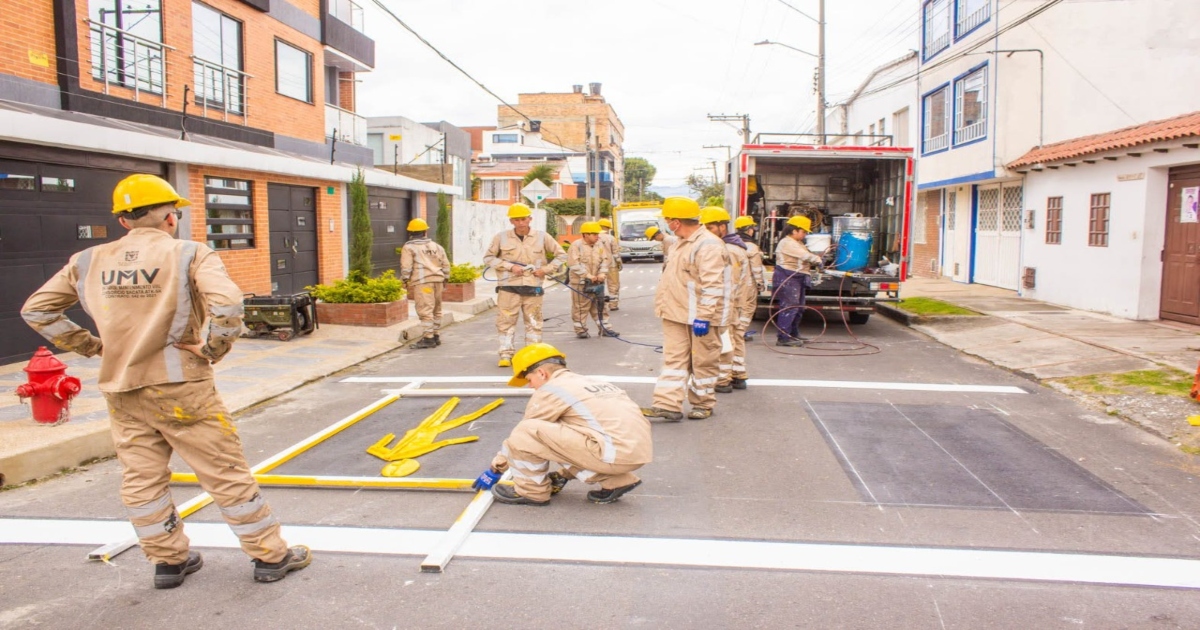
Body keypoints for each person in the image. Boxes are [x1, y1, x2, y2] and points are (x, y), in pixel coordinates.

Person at [21, 174, 310, 589]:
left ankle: (168, 562)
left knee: (142, 480)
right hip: (181, 388)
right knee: (224, 472)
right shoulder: (190, 253)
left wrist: (92, 347)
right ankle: (270, 556)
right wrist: (214, 349)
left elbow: (37, 311)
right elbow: (228, 305)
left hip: (123, 389)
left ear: (123, 220)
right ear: (171, 216)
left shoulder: (86, 261)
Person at [472, 343, 652, 506]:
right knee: (560, 431)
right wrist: (563, 475)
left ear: (542, 373)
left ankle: (531, 492)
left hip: (611, 453)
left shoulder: (552, 389)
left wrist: (495, 469)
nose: (530, 386)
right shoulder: (590, 382)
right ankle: (618, 481)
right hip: (635, 453)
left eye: (529, 379)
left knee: (527, 431)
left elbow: (523, 437)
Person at [641, 197, 730, 421]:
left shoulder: (708, 245)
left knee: (703, 361)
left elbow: (712, 285)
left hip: (701, 317)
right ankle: (667, 404)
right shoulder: (681, 242)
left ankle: (703, 403)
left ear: (676, 222)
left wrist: (704, 317)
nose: (667, 224)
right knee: (674, 361)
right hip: (675, 314)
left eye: (668, 219)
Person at [483, 203, 566, 368]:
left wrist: (546, 269)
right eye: (516, 220)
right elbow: (488, 258)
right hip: (508, 287)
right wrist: (510, 267)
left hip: (533, 287)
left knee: (534, 322)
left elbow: (562, 255)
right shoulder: (501, 237)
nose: (521, 223)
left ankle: (533, 355)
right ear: (511, 221)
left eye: (523, 219)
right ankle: (506, 354)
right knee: (505, 322)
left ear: (530, 219)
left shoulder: (542, 237)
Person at [702, 208, 755, 392]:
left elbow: (728, 282)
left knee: (725, 339)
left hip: (729, 303)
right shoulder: (735, 247)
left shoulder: (728, 250)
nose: (707, 232)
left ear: (722, 227)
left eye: (710, 227)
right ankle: (738, 375)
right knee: (735, 338)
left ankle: (723, 379)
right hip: (737, 302)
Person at [399, 218, 451, 349]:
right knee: (436, 309)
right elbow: (445, 264)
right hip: (438, 280)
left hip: (423, 283)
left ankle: (428, 338)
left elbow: (406, 266)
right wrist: (446, 278)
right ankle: (436, 335)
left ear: (410, 232)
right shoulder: (437, 246)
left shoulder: (409, 247)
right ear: (425, 232)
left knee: (425, 309)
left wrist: (405, 279)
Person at [774, 215, 823, 347]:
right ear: (794, 230)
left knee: (798, 308)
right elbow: (805, 256)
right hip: (788, 277)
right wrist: (818, 260)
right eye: (804, 231)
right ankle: (783, 337)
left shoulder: (798, 243)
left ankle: (793, 334)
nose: (805, 234)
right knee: (790, 307)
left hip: (797, 277)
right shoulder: (787, 243)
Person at [567, 222, 618, 339]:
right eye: (594, 234)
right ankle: (580, 329)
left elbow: (606, 260)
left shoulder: (599, 245)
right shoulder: (576, 246)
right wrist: (588, 276)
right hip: (581, 283)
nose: (597, 236)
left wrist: (602, 274)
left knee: (600, 306)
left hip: (598, 281)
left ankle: (605, 328)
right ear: (585, 234)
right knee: (580, 306)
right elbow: (573, 264)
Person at [597, 217, 622, 310]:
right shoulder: (611, 238)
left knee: (598, 284)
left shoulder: (595, 237)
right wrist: (619, 263)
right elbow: (615, 253)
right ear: (608, 228)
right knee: (613, 285)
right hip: (611, 265)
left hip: (598, 265)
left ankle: (599, 304)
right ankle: (613, 304)